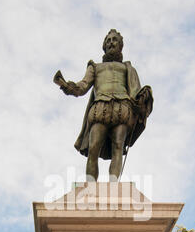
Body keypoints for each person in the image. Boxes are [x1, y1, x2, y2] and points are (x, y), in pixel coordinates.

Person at [53, 29, 153, 181]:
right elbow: (82, 86)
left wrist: (142, 98)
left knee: (118, 147)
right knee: (93, 149)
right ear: (104, 46)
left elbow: (135, 91)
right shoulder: (95, 67)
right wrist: (67, 86)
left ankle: (113, 185)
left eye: (114, 40)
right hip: (100, 108)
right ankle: (91, 187)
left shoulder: (128, 68)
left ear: (120, 46)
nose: (111, 42)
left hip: (123, 109)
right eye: (108, 40)